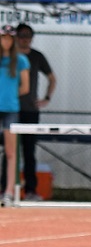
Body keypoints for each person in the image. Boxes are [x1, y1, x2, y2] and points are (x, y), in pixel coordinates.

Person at [14, 23, 56, 201]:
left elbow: (52, 78)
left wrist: (46, 98)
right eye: (21, 35)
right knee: (10, 151)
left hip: (30, 109)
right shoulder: (9, 56)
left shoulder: (36, 57)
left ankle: (31, 189)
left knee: (29, 151)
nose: (24, 39)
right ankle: (6, 188)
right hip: (11, 108)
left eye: (28, 35)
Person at [0, 25, 30, 207]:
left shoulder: (20, 60)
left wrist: (9, 96)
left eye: (10, 38)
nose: (6, 41)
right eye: (4, 37)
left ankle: (9, 191)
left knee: (11, 153)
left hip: (11, 109)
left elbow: (25, 87)